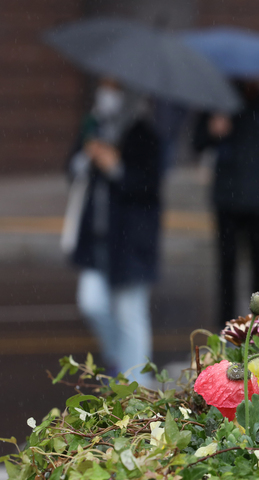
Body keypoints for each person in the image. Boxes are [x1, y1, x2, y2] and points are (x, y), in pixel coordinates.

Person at [62, 78, 162, 385]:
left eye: (116, 87)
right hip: (97, 239)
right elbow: (71, 168)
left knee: (130, 314)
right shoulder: (94, 127)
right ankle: (119, 362)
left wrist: (116, 166)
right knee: (92, 303)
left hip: (131, 242)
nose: (108, 94)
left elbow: (148, 185)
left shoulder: (144, 133)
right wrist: (88, 155)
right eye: (106, 86)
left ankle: (140, 390)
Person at [192, 81, 259, 328]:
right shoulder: (219, 104)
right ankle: (226, 324)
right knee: (227, 265)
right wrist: (214, 130)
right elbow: (197, 142)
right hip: (227, 198)